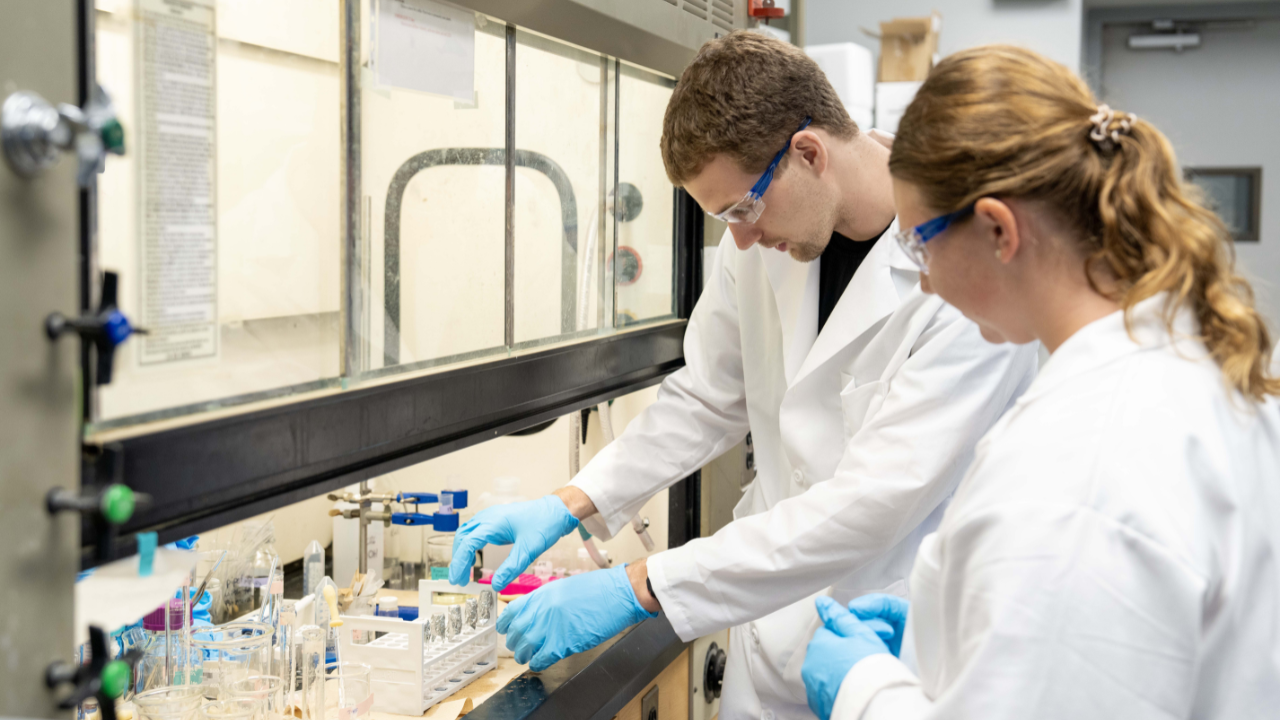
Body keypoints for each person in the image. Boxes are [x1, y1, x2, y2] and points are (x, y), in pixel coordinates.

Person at [451, 32, 1040, 719]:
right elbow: (705, 397)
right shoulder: (765, 241)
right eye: (722, 216)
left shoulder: (964, 283)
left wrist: (638, 587)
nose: (740, 238)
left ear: (809, 153)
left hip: (885, 643)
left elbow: (868, 503)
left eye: (741, 208)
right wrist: (574, 499)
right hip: (765, 640)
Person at [800, 45, 1280, 720]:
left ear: (998, 228)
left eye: (919, 243)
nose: (925, 279)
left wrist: (864, 692)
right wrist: (947, 643)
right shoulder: (1195, 357)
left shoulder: (1078, 466)